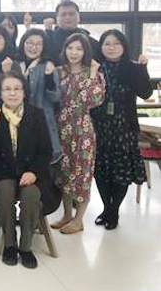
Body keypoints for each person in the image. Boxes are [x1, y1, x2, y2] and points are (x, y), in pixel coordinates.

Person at [0, 72, 54, 269]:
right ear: (0, 93)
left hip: (31, 171)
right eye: (7, 89)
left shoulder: (36, 114)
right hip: (3, 171)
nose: (12, 93)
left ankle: (25, 247)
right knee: (5, 193)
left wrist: (33, 172)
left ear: (24, 92)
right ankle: (10, 244)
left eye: (17, 89)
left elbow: (46, 150)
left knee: (31, 196)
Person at [90, 30, 152, 230]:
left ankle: (113, 210)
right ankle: (106, 208)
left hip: (124, 128)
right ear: (101, 47)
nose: (111, 47)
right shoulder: (95, 67)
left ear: (124, 46)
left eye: (116, 43)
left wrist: (143, 69)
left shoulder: (133, 68)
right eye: (107, 43)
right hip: (99, 128)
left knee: (121, 171)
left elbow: (146, 93)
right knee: (100, 171)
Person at [52, 33, 105, 234]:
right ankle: (67, 215)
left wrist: (92, 74)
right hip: (60, 128)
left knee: (82, 175)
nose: (74, 52)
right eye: (70, 48)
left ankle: (79, 219)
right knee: (64, 174)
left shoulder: (92, 73)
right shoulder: (59, 72)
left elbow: (94, 100)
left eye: (79, 49)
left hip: (82, 130)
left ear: (85, 52)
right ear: (64, 49)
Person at [18, 29, 62, 163]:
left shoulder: (47, 66)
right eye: (30, 43)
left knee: (41, 164)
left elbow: (56, 97)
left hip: (42, 123)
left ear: (44, 47)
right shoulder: (16, 65)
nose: (33, 47)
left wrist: (48, 77)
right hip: (18, 121)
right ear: (23, 43)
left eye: (38, 44)